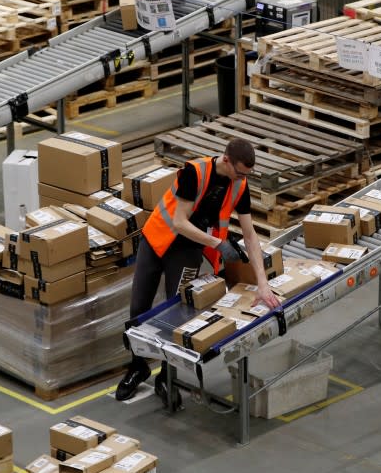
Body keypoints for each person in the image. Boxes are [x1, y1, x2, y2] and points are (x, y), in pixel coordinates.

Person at [116, 138, 281, 402]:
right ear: (226, 160)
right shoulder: (195, 173)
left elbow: (250, 235)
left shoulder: (240, 185)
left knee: (177, 315)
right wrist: (218, 243)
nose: (243, 178)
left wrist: (262, 283)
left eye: (247, 174)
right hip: (159, 238)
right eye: (240, 172)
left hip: (188, 250)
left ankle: (166, 376)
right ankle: (138, 366)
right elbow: (179, 222)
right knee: (139, 308)